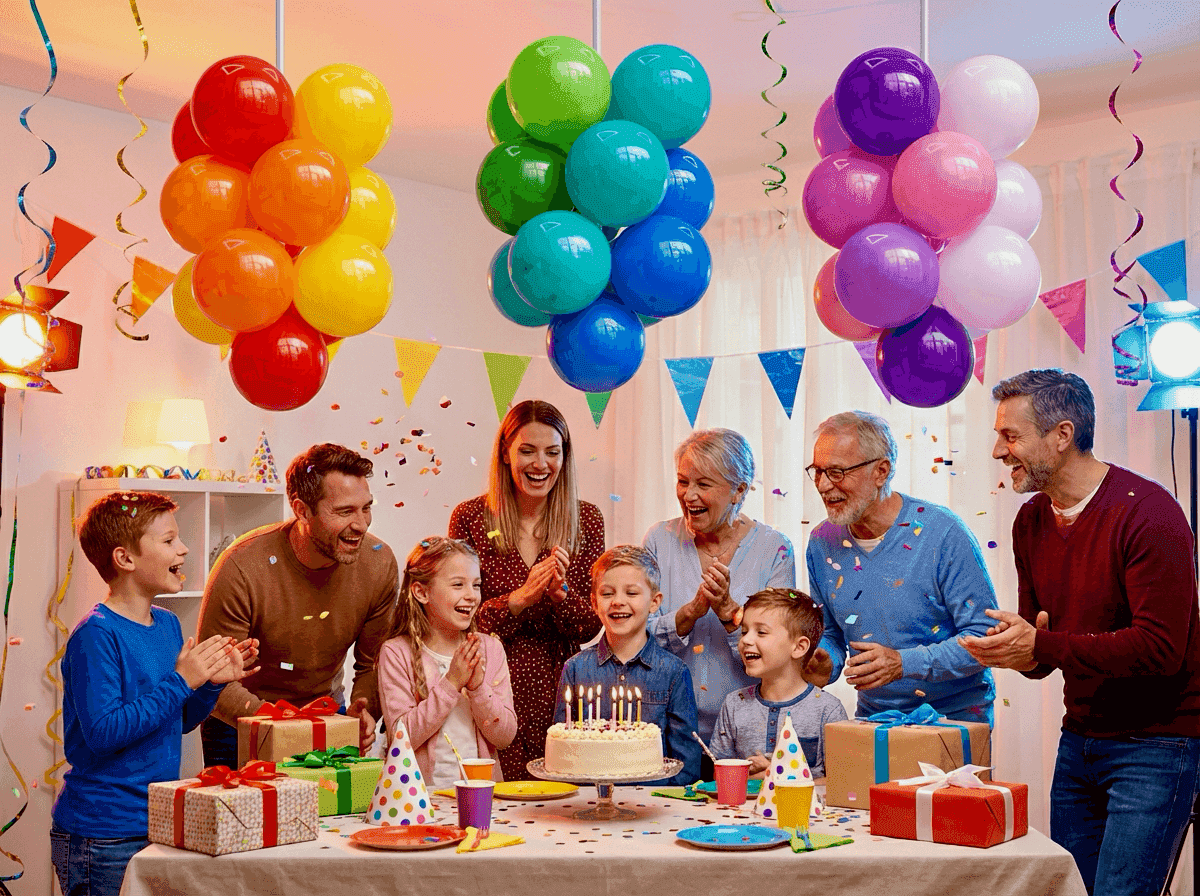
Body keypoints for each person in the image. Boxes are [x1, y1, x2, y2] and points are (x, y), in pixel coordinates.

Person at [961, 368, 1200, 896]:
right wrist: (1013, 651)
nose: (999, 452)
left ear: (1062, 435)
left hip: (1156, 747)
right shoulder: (1030, 522)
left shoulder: (1150, 514)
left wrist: (1040, 645)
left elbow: (1161, 649)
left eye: (1011, 435)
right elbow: (1044, 649)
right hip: (1080, 744)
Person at [51, 491, 257, 896]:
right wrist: (183, 680)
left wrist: (210, 682)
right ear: (124, 559)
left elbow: (176, 721)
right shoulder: (96, 634)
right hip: (103, 834)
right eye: (168, 541)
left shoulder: (166, 624)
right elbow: (105, 733)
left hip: (156, 822)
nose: (183, 549)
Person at [197, 443, 399, 766]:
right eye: (345, 511)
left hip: (327, 718)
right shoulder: (241, 567)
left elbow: (372, 662)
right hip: (240, 723)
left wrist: (363, 708)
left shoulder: (380, 564)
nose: (361, 524)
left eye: (366, 508)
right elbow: (215, 680)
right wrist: (283, 729)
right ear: (302, 510)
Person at [806, 411, 998, 723]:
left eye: (837, 472)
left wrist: (903, 663)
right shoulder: (820, 541)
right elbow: (830, 631)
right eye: (818, 472)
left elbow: (985, 636)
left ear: (881, 471)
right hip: (875, 720)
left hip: (954, 721)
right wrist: (824, 659)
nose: (824, 486)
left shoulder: (943, 532)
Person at [449, 400, 604, 781]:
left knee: (564, 810)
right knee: (500, 809)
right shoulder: (470, 518)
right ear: (505, 452)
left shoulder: (586, 519)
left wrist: (559, 596)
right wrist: (519, 599)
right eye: (527, 451)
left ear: (564, 457)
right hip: (493, 688)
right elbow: (459, 619)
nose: (540, 464)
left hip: (562, 689)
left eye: (552, 452)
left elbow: (590, 628)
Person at [645, 428, 795, 748]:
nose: (689, 495)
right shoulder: (659, 540)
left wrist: (729, 612)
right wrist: (688, 614)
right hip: (669, 729)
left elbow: (780, 655)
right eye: (683, 481)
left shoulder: (774, 549)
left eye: (703, 484)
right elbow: (639, 640)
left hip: (750, 733)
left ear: (738, 490)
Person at [553, 545, 702, 785]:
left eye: (631, 593)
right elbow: (563, 755)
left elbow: (686, 766)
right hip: (588, 807)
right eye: (607, 593)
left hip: (654, 809)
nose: (618, 602)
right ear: (594, 602)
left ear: (655, 602)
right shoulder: (575, 669)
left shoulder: (674, 673)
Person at [377, 536, 517, 788]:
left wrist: (477, 689)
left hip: (481, 796)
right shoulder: (396, 653)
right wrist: (452, 683)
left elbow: (505, 736)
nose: (471, 596)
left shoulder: (490, 649)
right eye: (458, 584)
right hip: (421, 800)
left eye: (476, 585)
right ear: (421, 592)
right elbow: (400, 737)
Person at [710, 588, 847, 778]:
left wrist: (774, 773)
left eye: (761, 632)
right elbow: (719, 776)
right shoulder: (734, 704)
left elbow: (842, 782)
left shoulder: (828, 710)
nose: (746, 640)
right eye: (744, 631)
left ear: (799, 647)